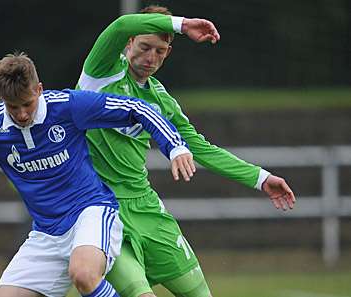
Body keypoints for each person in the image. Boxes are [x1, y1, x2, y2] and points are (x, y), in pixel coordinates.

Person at [0, 52, 197, 297]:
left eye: (27, 104)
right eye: (12, 107)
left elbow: (138, 109)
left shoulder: (67, 107)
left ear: (39, 89)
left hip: (92, 212)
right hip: (46, 234)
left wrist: (176, 147)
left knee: (84, 275)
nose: (22, 114)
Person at [76, 5, 296, 297]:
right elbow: (121, 24)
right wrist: (181, 24)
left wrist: (261, 178)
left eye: (160, 51)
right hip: (99, 208)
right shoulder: (102, 72)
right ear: (129, 43)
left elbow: (202, 149)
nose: (150, 58)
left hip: (147, 208)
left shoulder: (161, 101)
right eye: (144, 47)